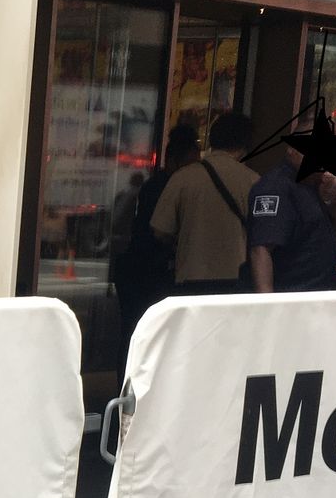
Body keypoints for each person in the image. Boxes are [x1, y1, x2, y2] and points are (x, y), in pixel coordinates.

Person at [110, 125, 199, 377]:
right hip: (149, 272)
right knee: (143, 335)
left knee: (135, 333)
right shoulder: (167, 187)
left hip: (138, 269)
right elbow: (159, 232)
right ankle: (130, 386)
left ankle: (126, 385)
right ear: (175, 160)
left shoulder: (156, 185)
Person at [151, 113, 259, 294]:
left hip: (190, 277)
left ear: (212, 140)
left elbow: (160, 231)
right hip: (236, 279)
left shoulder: (183, 177)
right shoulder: (254, 181)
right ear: (244, 146)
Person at [247, 137, 336, 293]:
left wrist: (331, 199)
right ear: (291, 149)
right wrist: (267, 304)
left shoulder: (310, 184)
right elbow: (261, 250)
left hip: (314, 293)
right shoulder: (275, 187)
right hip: (291, 293)